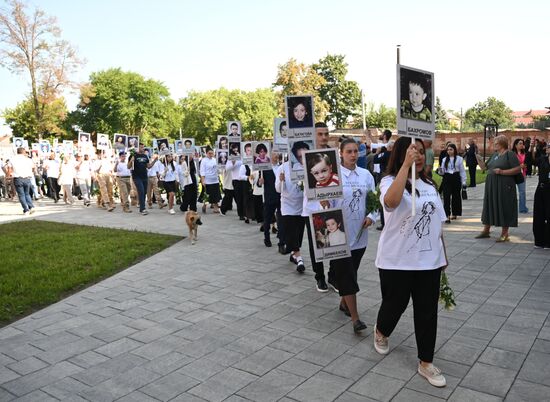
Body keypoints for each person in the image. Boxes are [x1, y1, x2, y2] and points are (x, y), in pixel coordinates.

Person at [374, 136, 448, 388]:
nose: (417, 155)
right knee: (395, 304)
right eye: (411, 151)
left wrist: (443, 254)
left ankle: (426, 361)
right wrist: (405, 168)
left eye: (420, 151)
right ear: (401, 154)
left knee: (427, 312)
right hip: (395, 260)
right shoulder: (388, 181)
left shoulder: (429, 184)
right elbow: (391, 203)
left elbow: (438, 223)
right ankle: (381, 330)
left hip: (428, 261)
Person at [329, 138, 377, 333]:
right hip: (339, 233)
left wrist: (371, 217)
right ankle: (355, 318)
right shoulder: (332, 176)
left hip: (360, 234)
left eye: (356, 151)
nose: (353, 154)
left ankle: (343, 302)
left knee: (352, 270)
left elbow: (374, 201)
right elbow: (323, 201)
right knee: (347, 274)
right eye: (348, 151)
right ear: (340, 153)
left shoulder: (366, 175)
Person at [303, 122, 336, 292]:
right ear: (314, 135)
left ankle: (332, 276)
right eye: (320, 134)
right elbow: (304, 183)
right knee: (317, 244)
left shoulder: (332, 155)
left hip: (332, 206)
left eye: (326, 133)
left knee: (335, 241)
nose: (324, 137)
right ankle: (320, 277)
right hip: (313, 209)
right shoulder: (305, 155)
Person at [475, 135, 521, 242]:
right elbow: (484, 168)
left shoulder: (510, 154)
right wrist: (479, 160)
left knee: (505, 205)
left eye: (496, 143)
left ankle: (505, 234)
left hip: (505, 185)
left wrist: (502, 172)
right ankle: (486, 230)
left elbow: (518, 169)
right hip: (492, 184)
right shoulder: (495, 155)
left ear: (502, 144)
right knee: (489, 205)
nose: (494, 145)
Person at [276, 156, 306, 272]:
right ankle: (299, 259)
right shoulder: (282, 168)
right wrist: (281, 180)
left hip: (302, 205)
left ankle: (294, 253)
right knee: (291, 230)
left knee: (298, 232)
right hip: (287, 205)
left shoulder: (305, 166)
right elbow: (278, 189)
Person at [261, 152, 285, 251]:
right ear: (270, 156)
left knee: (281, 218)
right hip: (269, 197)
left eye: (277, 155)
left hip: (280, 196)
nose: (276, 156)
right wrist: (260, 181)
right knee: (267, 218)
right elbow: (259, 183)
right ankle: (267, 237)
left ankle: (281, 240)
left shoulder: (282, 168)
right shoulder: (265, 169)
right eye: (274, 155)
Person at [440, 143, 466, 222]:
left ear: (454, 150)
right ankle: (447, 215)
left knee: (456, 196)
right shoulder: (444, 159)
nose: (449, 151)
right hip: (447, 178)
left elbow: (462, 171)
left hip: (456, 177)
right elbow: (442, 171)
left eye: (451, 149)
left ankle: (455, 213)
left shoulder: (459, 159)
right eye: (448, 150)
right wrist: (440, 170)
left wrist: (464, 181)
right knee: (446, 197)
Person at [531, 140, 550, 248]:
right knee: (539, 215)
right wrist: (532, 148)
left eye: (549, 146)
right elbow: (532, 161)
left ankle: (548, 241)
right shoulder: (543, 159)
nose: (547, 147)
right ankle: (539, 241)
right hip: (541, 189)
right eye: (547, 146)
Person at [128, 143, 157, 215]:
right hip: (136, 177)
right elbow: (128, 167)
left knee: (144, 192)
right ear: (137, 148)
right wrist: (131, 161)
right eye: (141, 147)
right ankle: (143, 209)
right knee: (141, 191)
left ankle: (142, 207)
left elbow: (149, 166)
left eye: (143, 147)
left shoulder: (145, 156)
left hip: (144, 176)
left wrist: (154, 161)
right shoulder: (133, 155)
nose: (142, 148)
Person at [10, 148, 36, 215]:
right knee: (27, 194)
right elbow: (33, 167)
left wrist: (10, 175)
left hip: (18, 178)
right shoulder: (28, 159)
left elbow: (10, 168)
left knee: (21, 195)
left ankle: (26, 209)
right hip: (27, 178)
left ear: (17, 152)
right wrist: (30, 173)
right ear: (24, 152)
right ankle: (31, 206)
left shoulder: (13, 159)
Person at [199, 147, 221, 214]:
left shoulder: (215, 160)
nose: (211, 154)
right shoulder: (204, 160)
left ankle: (216, 208)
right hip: (208, 180)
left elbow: (218, 169)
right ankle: (205, 205)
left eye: (212, 153)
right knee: (207, 195)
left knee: (216, 195)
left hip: (215, 180)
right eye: (209, 153)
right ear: (206, 153)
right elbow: (202, 171)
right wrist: (203, 180)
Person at [512, 138, 528, 214]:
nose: (522, 145)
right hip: (512, 175)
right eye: (520, 143)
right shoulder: (511, 154)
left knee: (522, 192)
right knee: (511, 192)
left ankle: (522, 208)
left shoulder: (524, 153)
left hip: (522, 175)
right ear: (515, 145)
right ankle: (510, 207)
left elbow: (527, 162)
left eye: (522, 143)